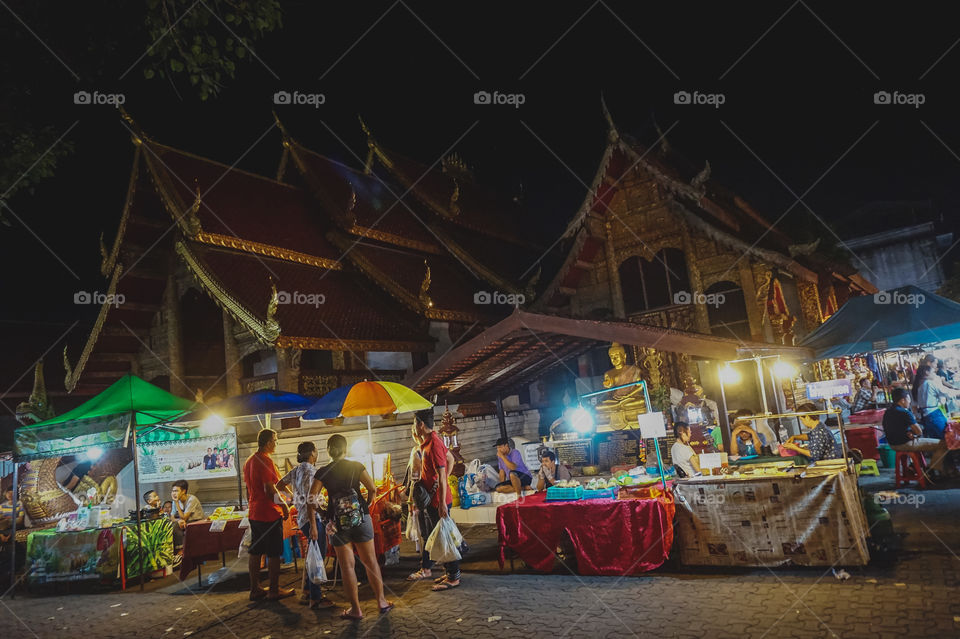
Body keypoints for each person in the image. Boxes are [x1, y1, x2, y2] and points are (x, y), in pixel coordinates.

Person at [308, 434, 392, 620]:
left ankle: (356, 610)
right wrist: (367, 506)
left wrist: (322, 514)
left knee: (347, 567)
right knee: (370, 561)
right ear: (345, 449)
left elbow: (311, 498)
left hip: (337, 524)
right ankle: (381, 602)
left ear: (329, 450)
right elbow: (372, 488)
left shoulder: (323, 471)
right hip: (361, 518)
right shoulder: (356, 466)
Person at [405, 409, 460, 591]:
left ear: (421, 424)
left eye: (414, 423)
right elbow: (450, 460)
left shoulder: (434, 444)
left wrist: (442, 500)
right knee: (438, 537)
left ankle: (453, 577)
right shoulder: (427, 443)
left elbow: (443, 473)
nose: (413, 428)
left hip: (439, 502)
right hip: (434, 500)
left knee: (444, 538)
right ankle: (449, 572)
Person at [277, 441, 333, 609]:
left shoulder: (295, 471)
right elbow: (311, 500)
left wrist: (293, 496)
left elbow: (279, 485)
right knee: (318, 557)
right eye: (316, 451)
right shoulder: (312, 471)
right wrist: (315, 526)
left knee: (313, 556)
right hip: (312, 519)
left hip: (302, 519)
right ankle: (316, 598)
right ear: (313, 454)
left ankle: (308, 591)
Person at [243, 428, 295, 601]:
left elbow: (277, 483)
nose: (276, 443)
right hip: (268, 513)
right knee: (273, 552)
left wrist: (291, 495)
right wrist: (285, 506)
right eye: (275, 440)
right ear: (268, 442)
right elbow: (269, 489)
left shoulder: (249, 460)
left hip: (254, 512)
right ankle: (274, 589)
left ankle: (254, 588)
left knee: (255, 551)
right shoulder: (264, 460)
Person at [882, 388, 952, 482]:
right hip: (905, 443)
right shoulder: (905, 412)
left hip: (892, 444)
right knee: (944, 444)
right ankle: (932, 470)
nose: (909, 402)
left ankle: (919, 468)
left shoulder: (888, 412)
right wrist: (914, 433)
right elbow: (919, 431)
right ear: (903, 400)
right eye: (908, 399)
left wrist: (910, 432)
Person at [913, 364, 960, 439]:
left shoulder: (919, 385)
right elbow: (946, 392)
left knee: (936, 441)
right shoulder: (929, 383)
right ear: (927, 372)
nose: (934, 374)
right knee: (946, 439)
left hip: (926, 417)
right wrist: (958, 392)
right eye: (933, 372)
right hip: (934, 415)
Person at [170, 480, 205, 553]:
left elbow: (184, 517)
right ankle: (178, 550)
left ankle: (180, 550)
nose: (174, 493)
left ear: (183, 491)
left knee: (177, 526)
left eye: (176, 491)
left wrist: (176, 503)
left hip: (197, 522)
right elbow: (172, 517)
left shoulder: (192, 499)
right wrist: (178, 520)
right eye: (173, 491)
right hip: (184, 522)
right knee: (173, 525)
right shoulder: (175, 501)